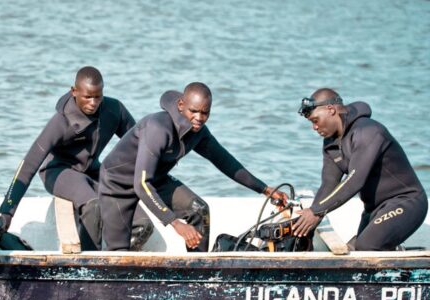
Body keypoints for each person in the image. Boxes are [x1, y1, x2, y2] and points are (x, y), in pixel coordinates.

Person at [99, 82, 288, 251]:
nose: (199, 118)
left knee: (199, 209)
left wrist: (265, 189)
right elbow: (141, 184)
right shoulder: (158, 128)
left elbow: (226, 162)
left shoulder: (199, 132)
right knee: (118, 252)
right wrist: (175, 223)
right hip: (118, 184)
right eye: (194, 111)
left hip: (155, 179)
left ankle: (198, 271)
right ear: (181, 105)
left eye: (205, 113)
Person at [0, 66, 153, 251]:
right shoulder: (61, 121)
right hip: (59, 171)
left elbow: (139, 146)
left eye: (98, 96)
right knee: (93, 205)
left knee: (143, 225)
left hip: (93, 172)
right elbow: (29, 164)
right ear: (74, 91)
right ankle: (90, 262)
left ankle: (115, 259)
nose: (93, 103)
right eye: (87, 97)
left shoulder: (114, 110)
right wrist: (7, 211)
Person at [293, 88, 428, 250]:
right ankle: (393, 250)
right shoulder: (331, 143)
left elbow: (354, 180)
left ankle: (400, 257)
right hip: (373, 209)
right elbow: (329, 184)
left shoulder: (368, 131)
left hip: (407, 202)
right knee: (354, 250)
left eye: (315, 120)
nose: (314, 127)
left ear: (330, 110)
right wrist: (310, 223)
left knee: (367, 246)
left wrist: (316, 211)